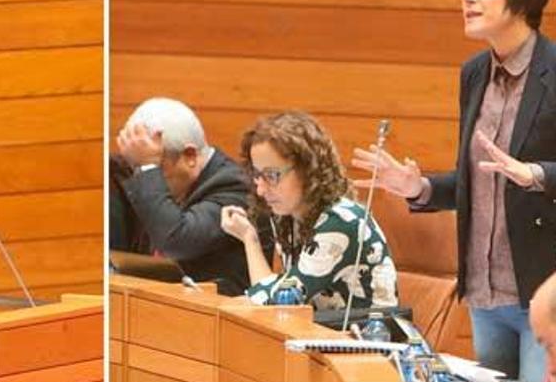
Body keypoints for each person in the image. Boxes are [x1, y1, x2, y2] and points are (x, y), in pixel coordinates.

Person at [351, 0, 553, 382]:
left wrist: (537, 174)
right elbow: (479, 180)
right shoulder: (474, 73)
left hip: (543, 292)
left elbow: (524, 174)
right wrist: (419, 187)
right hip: (483, 294)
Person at [221, 112, 398, 309]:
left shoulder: (341, 223)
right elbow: (276, 304)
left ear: (308, 170)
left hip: (367, 336)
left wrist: (250, 242)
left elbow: (278, 302)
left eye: (272, 175)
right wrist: (249, 238)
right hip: (320, 334)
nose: (261, 190)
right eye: (257, 175)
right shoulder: (287, 216)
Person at [113, 97, 271, 296]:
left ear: (190, 156)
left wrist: (147, 168)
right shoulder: (172, 185)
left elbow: (176, 240)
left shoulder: (236, 186)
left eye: (156, 170)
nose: (150, 182)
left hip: (223, 318)